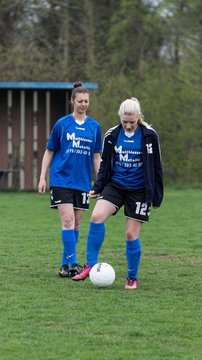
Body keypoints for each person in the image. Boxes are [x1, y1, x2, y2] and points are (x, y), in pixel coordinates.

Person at [72, 97, 163, 290]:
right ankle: (90, 265)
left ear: (138, 117)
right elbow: (105, 164)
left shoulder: (149, 136)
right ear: (120, 118)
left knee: (131, 234)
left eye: (132, 122)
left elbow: (157, 167)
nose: (128, 126)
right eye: (125, 122)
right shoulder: (112, 134)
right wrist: (98, 186)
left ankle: (132, 277)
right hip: (116, 186)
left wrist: (156, 195)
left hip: (139, 190)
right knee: (96, 217)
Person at [38, 82, 102, 278]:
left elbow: (96, 157)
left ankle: (64, 265)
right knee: (67, 220)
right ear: (72, 101)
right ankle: (73, 263)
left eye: (86, 101)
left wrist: (99, 183)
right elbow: (49, 151)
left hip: (82, 182)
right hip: (61, 179)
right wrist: (42, 177)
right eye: (80, 101)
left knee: (75, 225)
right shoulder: (62, 124)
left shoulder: (94, 127)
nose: (83, 104)